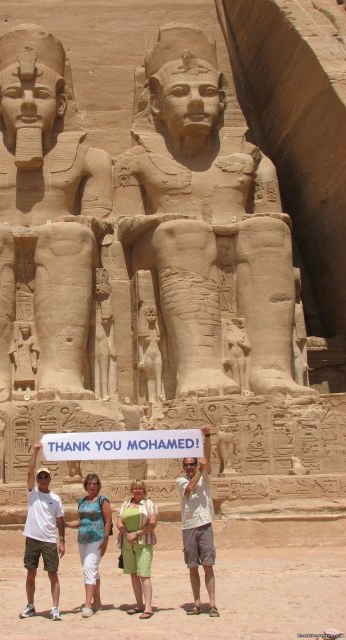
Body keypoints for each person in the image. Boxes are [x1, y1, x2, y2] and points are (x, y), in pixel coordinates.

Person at [114, 23, 316, 399]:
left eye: (207, 92)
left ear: (223, 99)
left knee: (269, 234)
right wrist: (165, 220)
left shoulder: (253, 160)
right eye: (180, 92)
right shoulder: (135, 160)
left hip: (235, 243)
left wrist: (237, 224)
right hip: (164, 248)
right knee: (187, 235)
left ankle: (270, 370)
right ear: (155, 102)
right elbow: (123, 226)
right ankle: (199, 369)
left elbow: (273, 216)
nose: (195, 102)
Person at [0, 23, 112, 404]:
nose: (30, 103)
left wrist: (71, 224)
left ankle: (62, 373)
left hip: (62, 245)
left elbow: (99, 220)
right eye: (16, 94)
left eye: (43, 94)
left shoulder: (89, 157)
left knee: (69, 237)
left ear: (62, 104)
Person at [20, 442, 65, 621]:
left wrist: (62, 541)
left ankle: (55, 608)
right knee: (31, 572)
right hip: (32, 537)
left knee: (52, 573)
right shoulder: (33, 494)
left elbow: (61, 521)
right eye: (41, 478)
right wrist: (35, 452)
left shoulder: (55, 498)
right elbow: (30, 472)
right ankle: (30, 605)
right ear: (37, 481)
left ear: (50, 479)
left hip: (48, 539)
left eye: (46, 477)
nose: (43, 480)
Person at [177, 424, 219, 617]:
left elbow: (207, 459)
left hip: (204, 523)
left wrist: (207, 436)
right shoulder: (181, 481)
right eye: (186, 465)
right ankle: (196, 602)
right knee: (193, 566)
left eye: (192, 464)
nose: (189, 467)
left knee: (208, 565)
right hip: (189, 526)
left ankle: (212, 604)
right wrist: (200, 471)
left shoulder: (204, 475)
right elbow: (190, 489)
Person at [65, 473, 112, 617]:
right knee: (92, 570)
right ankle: (97, 602)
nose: (92, 486)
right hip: (83, 539)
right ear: (86, 485)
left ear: (98, 485)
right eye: (90, 483)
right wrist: (66, 524)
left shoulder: (103, 501)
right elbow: (81, 521)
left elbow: (108, 521)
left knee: (88, 568)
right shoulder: (82, 501)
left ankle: (87, 604)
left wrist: (105, 541)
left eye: (95, 483)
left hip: (97, 538)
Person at [117, 479, 158, 619]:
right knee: (133, 574)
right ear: (131, 490)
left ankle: (148, 606)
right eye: (135, 488)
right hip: (127, 542)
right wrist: (126, 534)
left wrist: (137, 533)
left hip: (144, 541)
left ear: (144, 489)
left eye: (140, 488)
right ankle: (139, 604)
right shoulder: (125, 504)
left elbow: (152, 524)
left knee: (144, 574)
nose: (137, 490)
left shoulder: (150, 504)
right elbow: (119, 522)